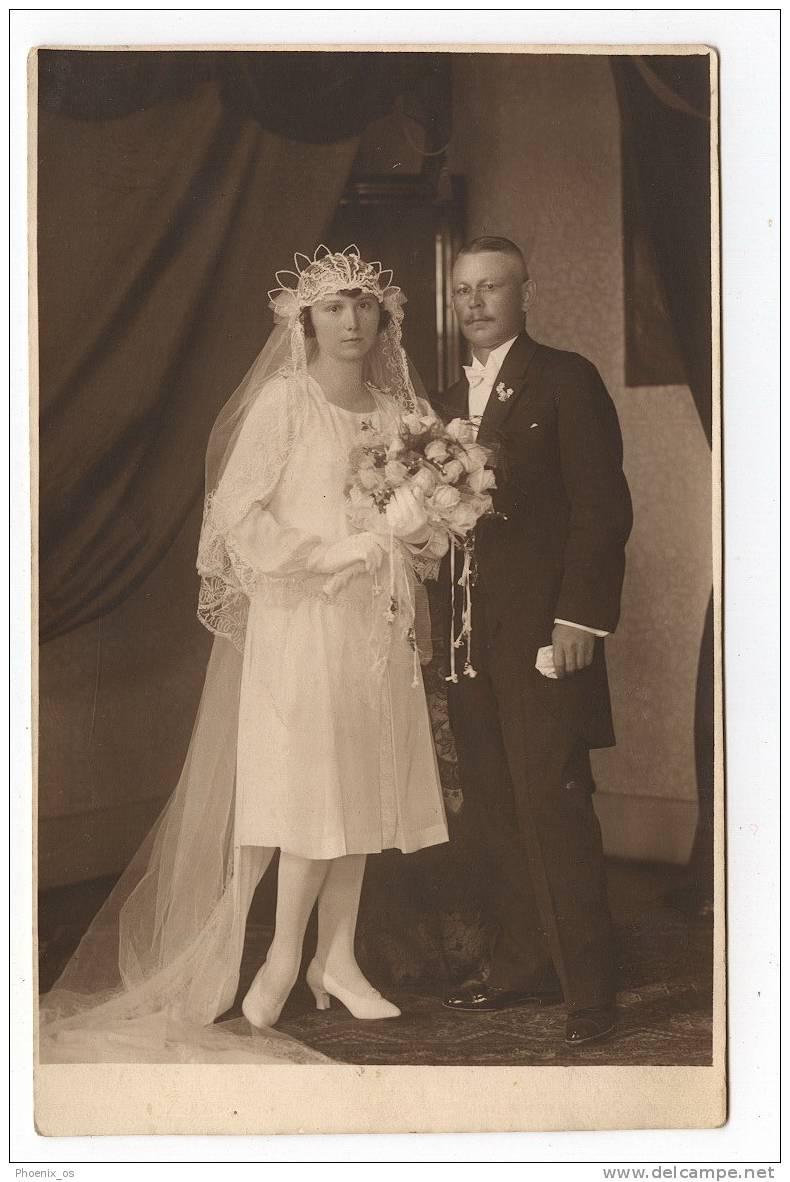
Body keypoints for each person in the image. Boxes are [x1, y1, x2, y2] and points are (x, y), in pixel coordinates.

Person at [39, 245, 448, 1063]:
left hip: (374, 624)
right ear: (306, 321)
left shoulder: (401, 415)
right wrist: (331, 556)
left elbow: (429, 525)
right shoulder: (285, 404)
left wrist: (413, 535)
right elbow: (236, 516)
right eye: (333, 306)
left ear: (384, 319)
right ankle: (282, 958)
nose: (351, 321)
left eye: (365, 305)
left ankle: (340, 958)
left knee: (362, 791)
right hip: (303, 624)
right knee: (312, 795)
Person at [432, 236, 632, 1047]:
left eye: (491, 287)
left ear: (524, 292)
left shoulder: (565, 378)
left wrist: (580, 619)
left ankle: (591, 995)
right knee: (494, 807)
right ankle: (522, 966)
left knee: (555, 806)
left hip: (546, 637)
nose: (475, 303)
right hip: (470, 642)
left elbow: (602, 509)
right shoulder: (443, 402)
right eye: (463, 290)